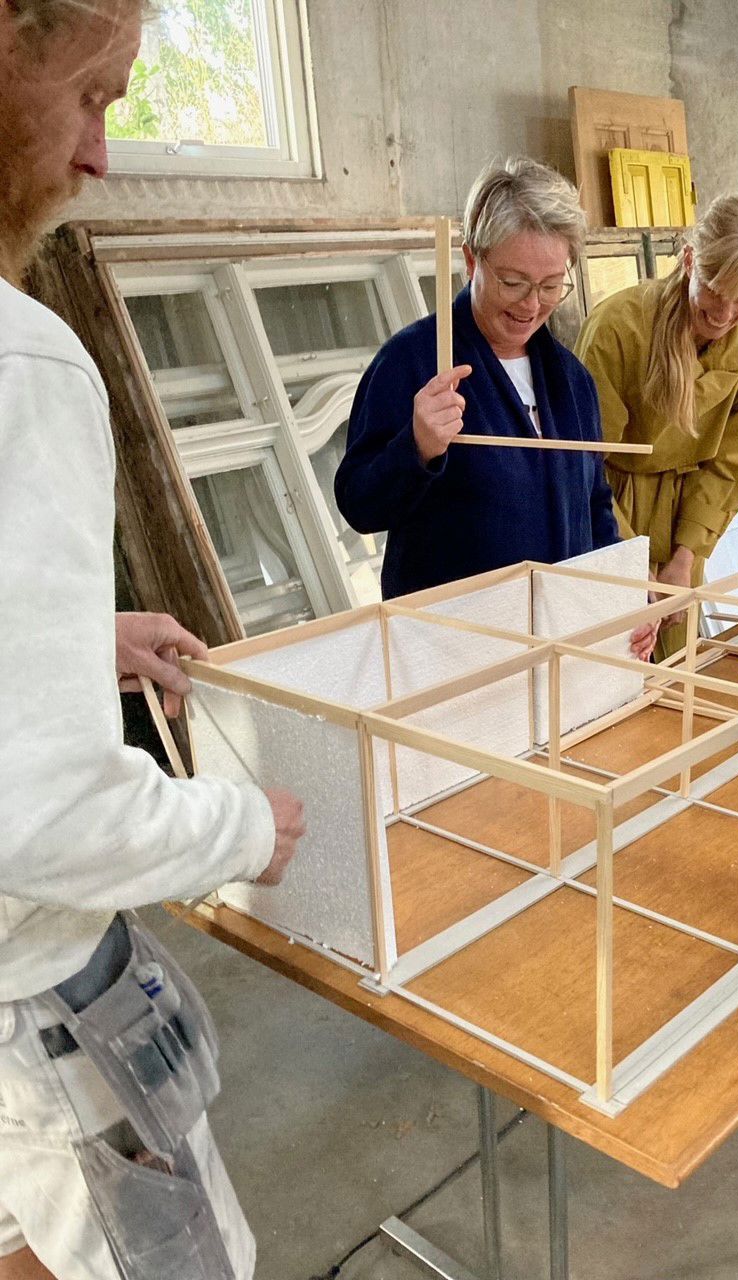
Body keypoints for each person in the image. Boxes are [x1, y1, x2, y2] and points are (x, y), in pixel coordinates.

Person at [0, 2, 306, 1277]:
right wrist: (242, 828)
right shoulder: (23, 365)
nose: (99, 153)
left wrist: (66, 636)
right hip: (30, 1000)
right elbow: (46, 814)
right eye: (93, 95)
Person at [334, 156, 618, 599]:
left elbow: (595, 506)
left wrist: (621, 595)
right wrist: (416, 448)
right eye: (513, 282)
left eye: (550, 286)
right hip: (454, 632)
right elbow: (359, 504)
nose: (531, 305)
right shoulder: (412, 361)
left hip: (557, 628)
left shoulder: (572, 380)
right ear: (471, 260)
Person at [575, 192, 738, 658]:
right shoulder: (617, 328)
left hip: (689, 514)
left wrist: (687, 555)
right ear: (690, 260)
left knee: (675, 665)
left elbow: (735, 458)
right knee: (614, 661)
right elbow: (583, 464)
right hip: (611, 510)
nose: (724, 315)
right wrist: (628, 558)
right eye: (713, 288)